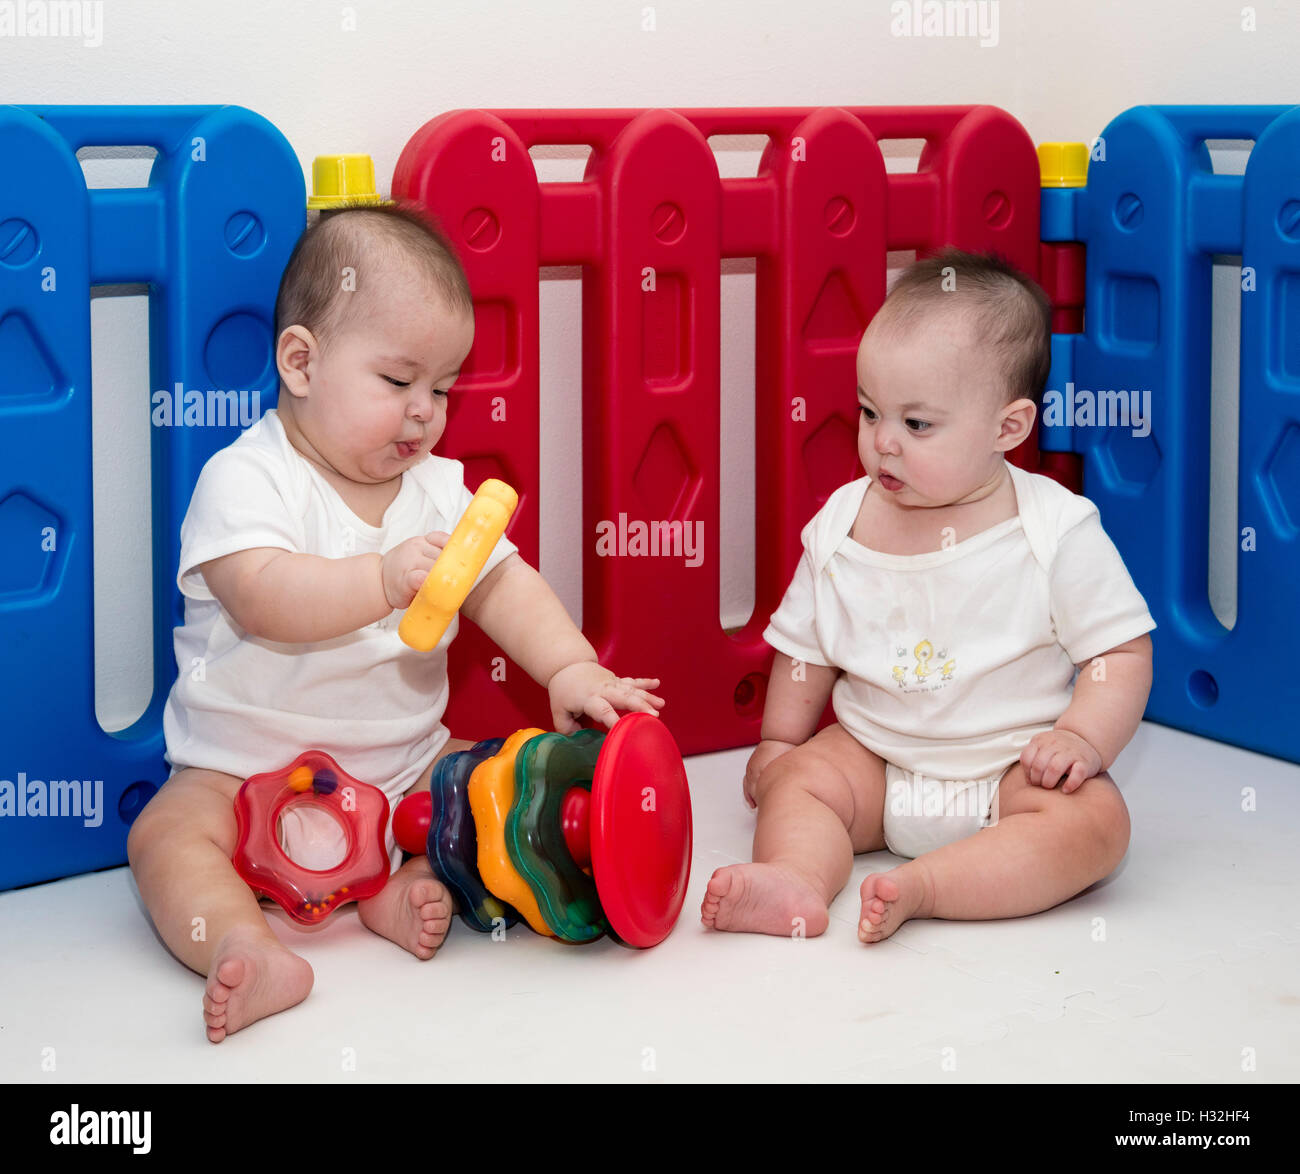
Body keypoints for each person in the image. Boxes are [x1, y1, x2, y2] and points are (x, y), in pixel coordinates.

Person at [128, 203, 663, 1042]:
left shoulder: (442, 494)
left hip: (399, 764)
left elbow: (504, 586)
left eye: (443, 388)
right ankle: (240, 939)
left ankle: (390, 885)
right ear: (300, 363)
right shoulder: (247, 480)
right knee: (164, 836)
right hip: (237, 769)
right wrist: (381, 578)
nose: (425, 411)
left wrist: (567, 665)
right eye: (397, 381)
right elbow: (264, 595)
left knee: (480, 788)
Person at [701, 248, 1154, 944]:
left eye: (916, 425)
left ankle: (932, 887)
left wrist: (1081, 738)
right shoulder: (842, 525)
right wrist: (779, 742)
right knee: (799, 784)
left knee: (1097, 825)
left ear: (1009, 428)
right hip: (875, 761)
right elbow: (804, 652)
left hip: (1011, 769)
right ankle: (795, 877)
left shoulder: (1055, 528)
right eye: (868, 411)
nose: (882, 442)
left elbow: (1119, 651)